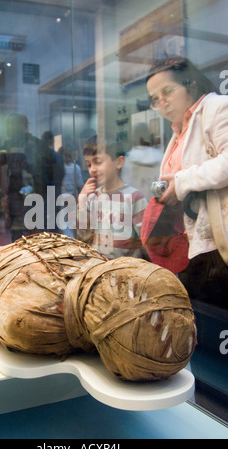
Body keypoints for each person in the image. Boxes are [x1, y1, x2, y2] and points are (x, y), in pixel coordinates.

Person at [142, 56, 228, 304]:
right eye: (155, 99)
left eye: (167, 91)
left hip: (219, 246)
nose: (162, 103)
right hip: (195, 248)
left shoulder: (216, 108)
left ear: (189, 84)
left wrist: (181, 183)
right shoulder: (179, 131)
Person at [77, 136, 148, 259]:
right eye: (89, 164)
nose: (92, 169)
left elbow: (147, 242)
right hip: (99, 268)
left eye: (97, 162)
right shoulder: (93, 197)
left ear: (119, 162)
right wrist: (82, 202)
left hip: (128, 271)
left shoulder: (134, 197)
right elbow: (83, 238)